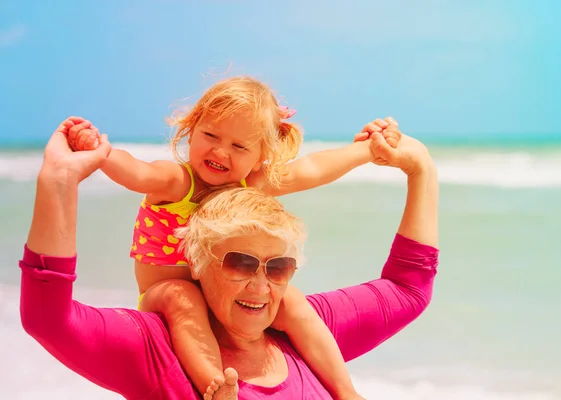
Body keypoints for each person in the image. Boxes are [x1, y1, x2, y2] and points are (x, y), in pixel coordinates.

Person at [20, 116, 439, 399]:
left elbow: (408, 289)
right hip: (171, 298)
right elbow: (48, 319)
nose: (261, 286)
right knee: (181, 300)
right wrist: (61, 179)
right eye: (239, 263)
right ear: (199, 261)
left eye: (279, 267)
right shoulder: (156, 348)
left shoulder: (301, 332)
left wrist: (415, 166)